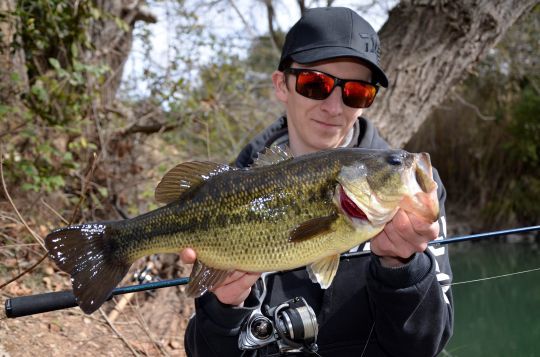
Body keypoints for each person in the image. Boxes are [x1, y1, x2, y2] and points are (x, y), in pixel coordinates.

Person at [182, 6, 453, 356]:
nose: (334, 106)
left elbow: (425, 345)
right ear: (283, 84)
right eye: (316, 84)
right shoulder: (233, 191)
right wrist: (224, 310)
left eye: (356, 92)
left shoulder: (411, 191)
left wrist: (403, 269)